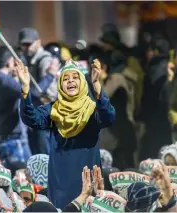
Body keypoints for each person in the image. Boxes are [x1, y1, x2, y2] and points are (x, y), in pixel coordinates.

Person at [16, 58, 115, 208]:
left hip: (88, 181)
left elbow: (109, 117)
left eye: (75, 77)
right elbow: (31, 119)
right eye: (65, 79)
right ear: (60, 85)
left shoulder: (93, 109)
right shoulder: (53, 110)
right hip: (60, 184)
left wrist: (96, 85)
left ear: (83, 82)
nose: (70, 81)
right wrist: (25, 88)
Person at [19, 27, 59, 155]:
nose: (26, 47)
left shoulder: (44, 60)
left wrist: (50, 75)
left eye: (29, 44)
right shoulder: (27, 60)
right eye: (23, 44)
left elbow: (39, 91)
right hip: (37, 114)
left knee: (45, 155)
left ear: (38, 42)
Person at [139, 38, 174, 160]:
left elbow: (149, 96)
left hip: (155, 116)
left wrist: (142, 114)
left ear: (156, 51)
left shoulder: (154, 67)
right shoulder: (169, 67)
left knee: (154, 150)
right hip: (166, 116)